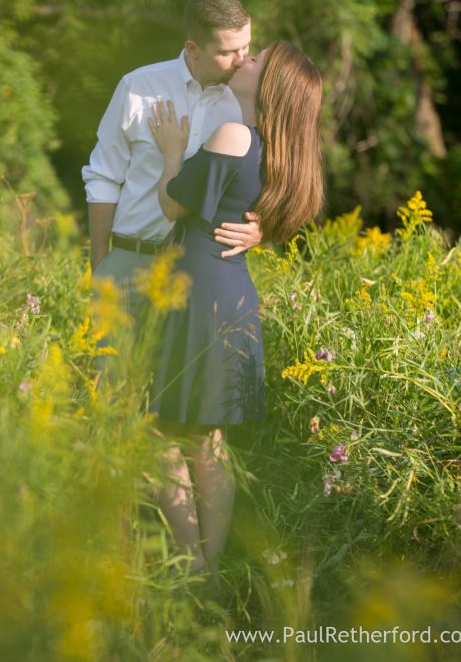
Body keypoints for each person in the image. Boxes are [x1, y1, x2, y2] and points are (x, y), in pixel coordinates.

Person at [146, 40, 324, 586]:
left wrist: (173, 149)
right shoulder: (283, 153)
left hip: (198, 290)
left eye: (258, 59)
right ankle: (212, 568)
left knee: (159, 433)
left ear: (270, 85)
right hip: (233, 295)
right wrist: (263, 232)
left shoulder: (234, 135)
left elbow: (172, 204)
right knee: (209, 437)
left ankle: (192, 563)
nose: (246, 60)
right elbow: (278, 210)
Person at [81, 0, 262, 310]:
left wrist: (263, 228)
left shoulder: (245, 102)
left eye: (246, 47)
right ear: (193, 48)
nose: (241, 61)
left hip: (201, 276)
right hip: (129, 264)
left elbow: (270, 174)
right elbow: (104, 176)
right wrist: (100, 264)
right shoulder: (138, 88)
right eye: (228, 52)